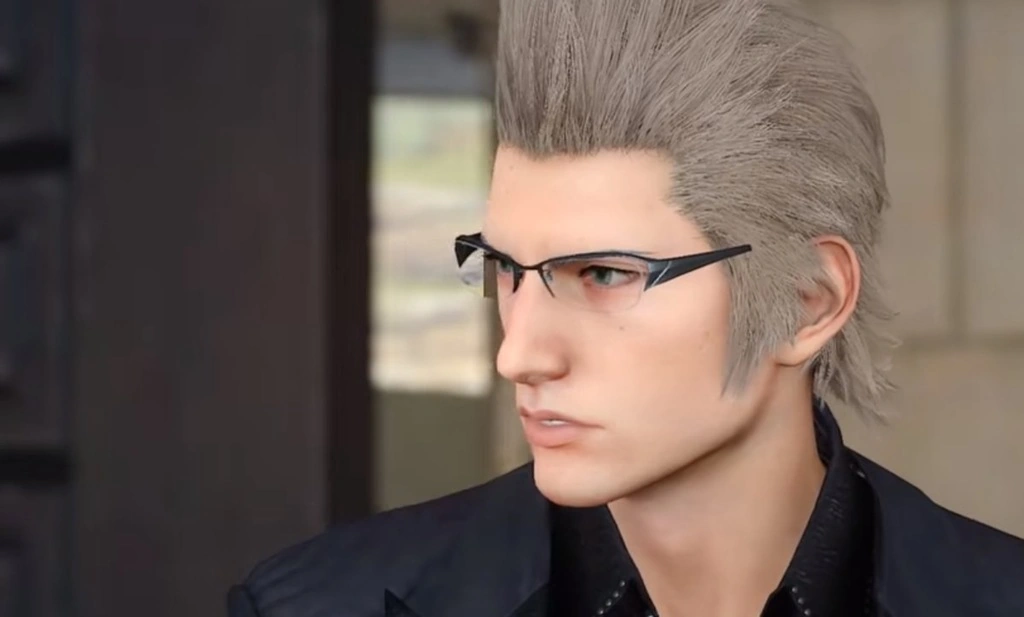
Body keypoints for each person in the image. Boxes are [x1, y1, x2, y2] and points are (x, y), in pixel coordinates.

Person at [228, 1, 1024, 615]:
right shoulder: (317, 603)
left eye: (604, 274)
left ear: (808, 300)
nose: (519, 354)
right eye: (505, 268)